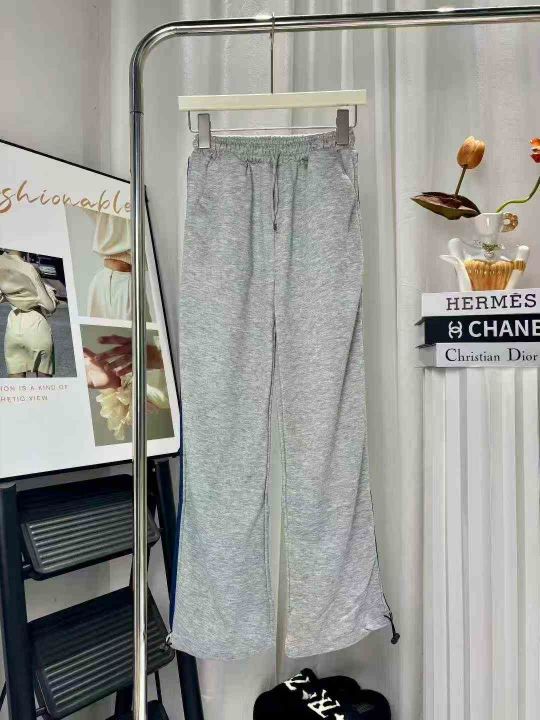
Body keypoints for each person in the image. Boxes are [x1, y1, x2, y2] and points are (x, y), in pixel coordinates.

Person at [0, 249, 58, 377]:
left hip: (14, 325)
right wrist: (49, 292)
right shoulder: (29, 268)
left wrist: (13, 296)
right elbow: (50, 307)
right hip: (36, 324)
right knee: (43, 380)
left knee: (16, 378)